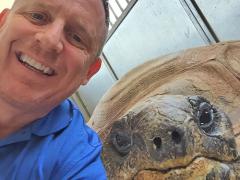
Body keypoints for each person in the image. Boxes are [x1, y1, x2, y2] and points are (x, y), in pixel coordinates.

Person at [0, 0, 109, 179]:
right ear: (2, 22)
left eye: (77, 38)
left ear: (89, 71)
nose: (50, 40)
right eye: (37, 16)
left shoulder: (76, 160)